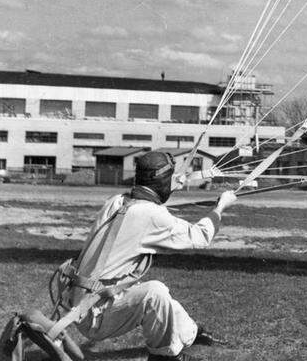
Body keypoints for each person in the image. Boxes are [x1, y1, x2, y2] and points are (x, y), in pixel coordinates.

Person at [59, 151, 237, 361]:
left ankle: (193, 333)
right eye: (169, 179)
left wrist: (172, 183)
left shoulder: (117, 201)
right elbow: (200, 236)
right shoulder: (151, 215)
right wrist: (221, 206)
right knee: (155, 293)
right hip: (93, 314)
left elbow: (149, 204)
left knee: (166, 301)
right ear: (161, 181)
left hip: (80, 301)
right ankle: (163, 357)